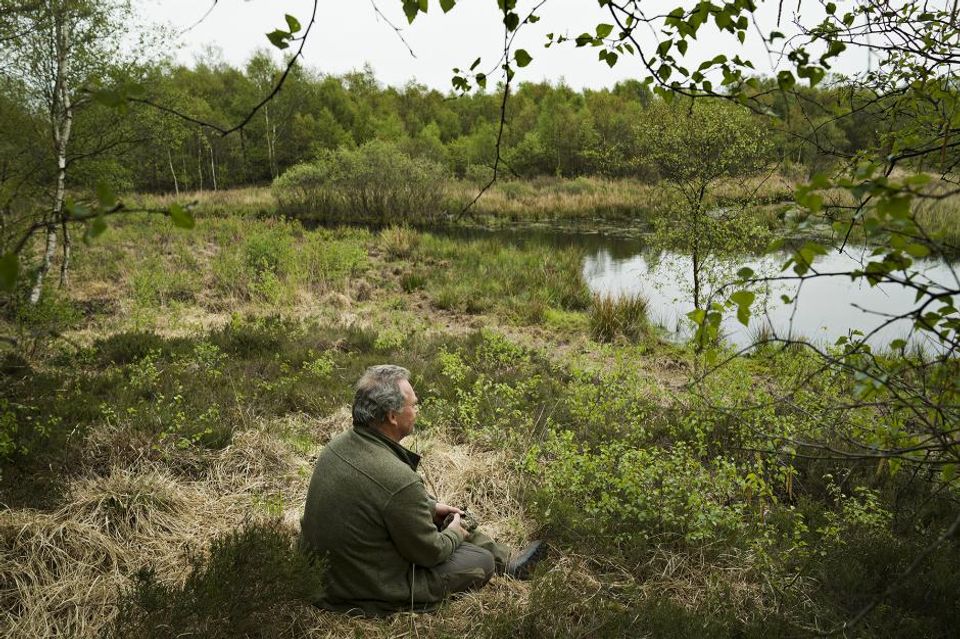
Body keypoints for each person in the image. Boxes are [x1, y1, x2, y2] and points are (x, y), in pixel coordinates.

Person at [299, 364, 544, 616]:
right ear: (393, 416)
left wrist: (429, 508)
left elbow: (376, 497)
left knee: (432, 508)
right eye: (413, 405)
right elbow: (431, 553)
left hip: (326, 576)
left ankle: (509, 561)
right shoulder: (397, 479)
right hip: (363, 591)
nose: (416, 411)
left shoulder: (337, 446)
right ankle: (502, 562)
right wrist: (454, 533)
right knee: (481, 561)